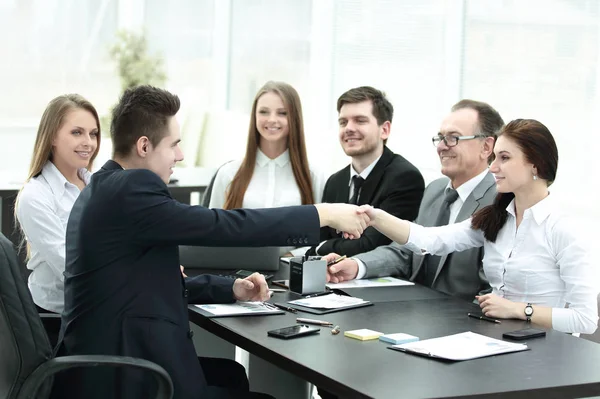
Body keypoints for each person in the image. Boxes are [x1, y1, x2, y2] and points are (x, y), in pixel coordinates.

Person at [51, 85, 369, 399]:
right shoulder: (131, 190)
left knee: (232, 374)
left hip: (112, 364)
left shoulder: (105, 187)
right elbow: (220, 226)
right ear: (144, 146)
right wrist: (321, 214)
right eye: (174, 144)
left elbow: (149, 284)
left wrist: (231, 288)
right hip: (126, 377)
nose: (180, 155)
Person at [359, 119, 598, 334]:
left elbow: (585, 320)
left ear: (535, 164)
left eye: (504, 158)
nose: (493, 167)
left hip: (547, 354)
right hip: (498, 340)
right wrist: (374, 216)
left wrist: (517, 309)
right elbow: (429, 240)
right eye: (494, 158)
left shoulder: (563, 228)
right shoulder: (494, 218)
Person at [324, 100, 504, 301]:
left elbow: (494, 288)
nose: (442, 147)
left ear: (487, 147)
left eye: (453, 138)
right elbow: (406, 253)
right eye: (440, 138)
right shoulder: (435, 190)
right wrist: (357, 266)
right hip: (416, 312)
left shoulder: (501, 202)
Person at [305, 86, 424, 258]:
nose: (348, 128)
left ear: (385, 130)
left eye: (360, 120)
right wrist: (320, 246)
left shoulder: (404, 177)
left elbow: (370, 245)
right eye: (343, 122)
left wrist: (321, 247)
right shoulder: (335, 181)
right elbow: (318, 238)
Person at [208, 81, 325, 255]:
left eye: (282, 113)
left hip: (291, 274)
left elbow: (324, 239)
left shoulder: (313, 175)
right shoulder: (229, 173)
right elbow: (211, 234)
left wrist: (291, 255)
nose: (272, 119)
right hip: (237, 273)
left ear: (294, 118)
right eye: (263, 112)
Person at [15, 94, 101, 318]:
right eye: (77, 132)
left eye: (93, 134)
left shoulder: (98, 186)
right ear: (52, 136)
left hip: (100, 307)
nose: (89, 142)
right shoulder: (35, 196)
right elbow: (72, 267)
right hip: (58, 319)